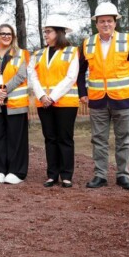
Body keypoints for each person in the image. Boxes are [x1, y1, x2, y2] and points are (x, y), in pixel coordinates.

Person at [78, 2, 129, 190]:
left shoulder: (127, 40)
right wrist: (82, 93)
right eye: (102, 21)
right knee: (98, 139)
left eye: (109, 21)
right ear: (96, 24)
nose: (106, 24)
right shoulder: (88, 43)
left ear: (115, 22)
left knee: (123, 139)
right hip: (97, 100)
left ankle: (123, 175)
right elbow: (80, 71)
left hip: (123, 98)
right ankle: (100, 175)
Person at [29, 16, 79, 188]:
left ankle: (66, 175)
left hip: (65, 103)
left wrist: (52, 97)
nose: (46, 35)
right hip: (44, 103)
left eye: (48, 31)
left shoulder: (72, 52)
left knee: (65, 139)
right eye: (45, 31)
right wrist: (42, 96)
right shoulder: (38, 54)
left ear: (59, 32)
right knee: (49, 139)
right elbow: (33, 76)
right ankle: (52, 175)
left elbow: (71, 77)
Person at [0, 24, 29, 185]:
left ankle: (17, 171)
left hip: (15, 103)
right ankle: (1, 170)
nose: (6, 36)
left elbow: (21, 75)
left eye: (9, 34)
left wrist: (4, 90)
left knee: (16, 138)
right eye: (3, 33)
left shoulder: (21, 53)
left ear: (13, 36)